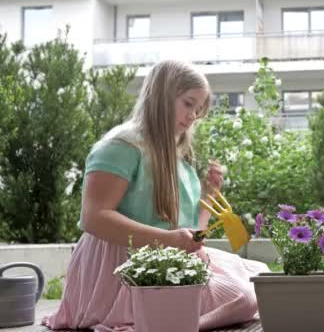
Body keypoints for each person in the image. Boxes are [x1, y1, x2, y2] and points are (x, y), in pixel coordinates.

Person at [44, 60, 269, 331]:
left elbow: (191, 240)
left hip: (166, 259)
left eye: (198, 109)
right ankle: (170, 323)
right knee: (244, 297)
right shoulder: (123, 145)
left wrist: (209, 198)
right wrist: (168, 240)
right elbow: (94, 218)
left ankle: (167, 321)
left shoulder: (178, 161)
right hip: (122, 267)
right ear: (161, 95)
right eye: (188, 103)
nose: (193, 116)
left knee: (262, 276)